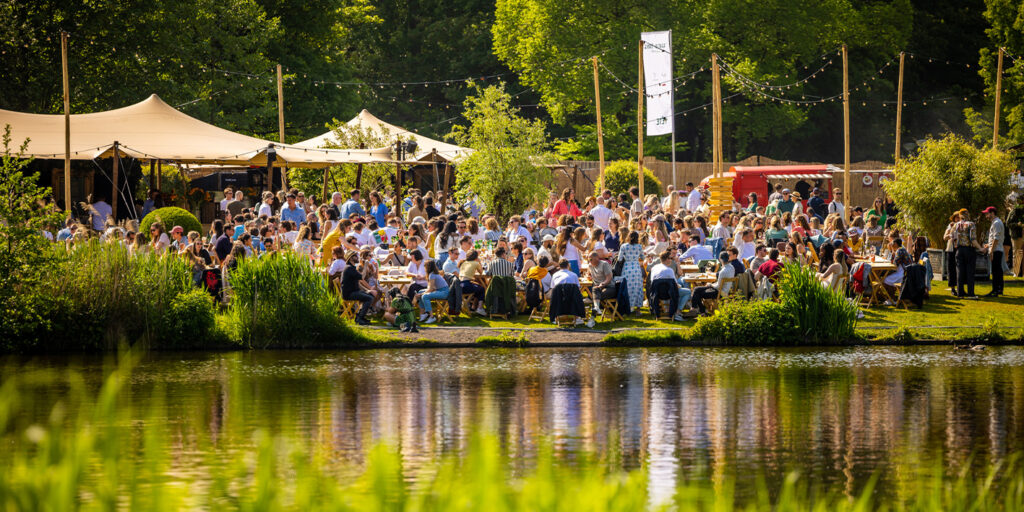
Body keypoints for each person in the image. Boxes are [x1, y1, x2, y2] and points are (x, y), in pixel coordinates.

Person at [691, 251, 735, 316]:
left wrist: (710, 285)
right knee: (697, 289)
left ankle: (698, 309)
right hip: (726, 290)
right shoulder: (732, 268)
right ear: (728, 258)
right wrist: (711, 285)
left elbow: (718, 286)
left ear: (720, 259)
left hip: (720, 292)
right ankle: (699, 309)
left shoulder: (723, 271)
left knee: (697, 292)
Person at [952, 209, 983, 299]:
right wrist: (980, 248)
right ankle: (970, 293)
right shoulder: (971, 224)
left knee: (959, 272)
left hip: (959, 250)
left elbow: (952, 237)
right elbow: (973, 239)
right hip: (969, 250)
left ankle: (960, 293)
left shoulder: (956, 225)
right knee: (970, 272)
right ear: (967, 214)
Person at [341, 252, 375, 325]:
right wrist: (365, 265)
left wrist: (367, 290)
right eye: (355, 256)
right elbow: (362, 277)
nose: (357, 257)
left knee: (370, 295)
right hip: (349, 294)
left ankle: (360, 316)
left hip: (353, 292)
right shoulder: (349, 268)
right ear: (351, 258)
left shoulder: (351, 267)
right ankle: (360, 318)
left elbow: (358, 283)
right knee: (369, 298)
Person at [617, 231, 644, 311]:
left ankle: (628, 305)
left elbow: (619, 259)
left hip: (627, 268)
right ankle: (638, 309)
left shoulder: (624, 246)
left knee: (627, 287)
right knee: (637, 287)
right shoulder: (639, 246)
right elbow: (643, 257)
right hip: (636, 268)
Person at [416, 260, 449, 324]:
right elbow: (431, 288)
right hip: (439, 290)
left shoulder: (432, 275)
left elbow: (431, 289)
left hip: (444, 292)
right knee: (420, 292)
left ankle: (431, 317)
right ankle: (423, 314)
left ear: (427, 267)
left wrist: (422, 294)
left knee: (425, 296)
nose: (424, 267)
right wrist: (421, 293)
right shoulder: (433, 274)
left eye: (424, 266)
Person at [982, 206, 1004, 297]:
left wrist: (991, 250)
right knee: (998, 270)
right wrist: (989, 245)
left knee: (995, 271)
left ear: (992, 213)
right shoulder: (996, 222)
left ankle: (995, 290)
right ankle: (999, 289)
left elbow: (996, 238)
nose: (986, 216)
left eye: (987, 214)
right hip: (996, 249)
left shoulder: (996, 223)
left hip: (996, 250)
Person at [1009, 194, 1024, 277]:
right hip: (1017, 235)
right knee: (1017, 253)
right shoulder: (1014, 211)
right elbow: (1008, 223)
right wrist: (1017, 224)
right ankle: (1016, 272)